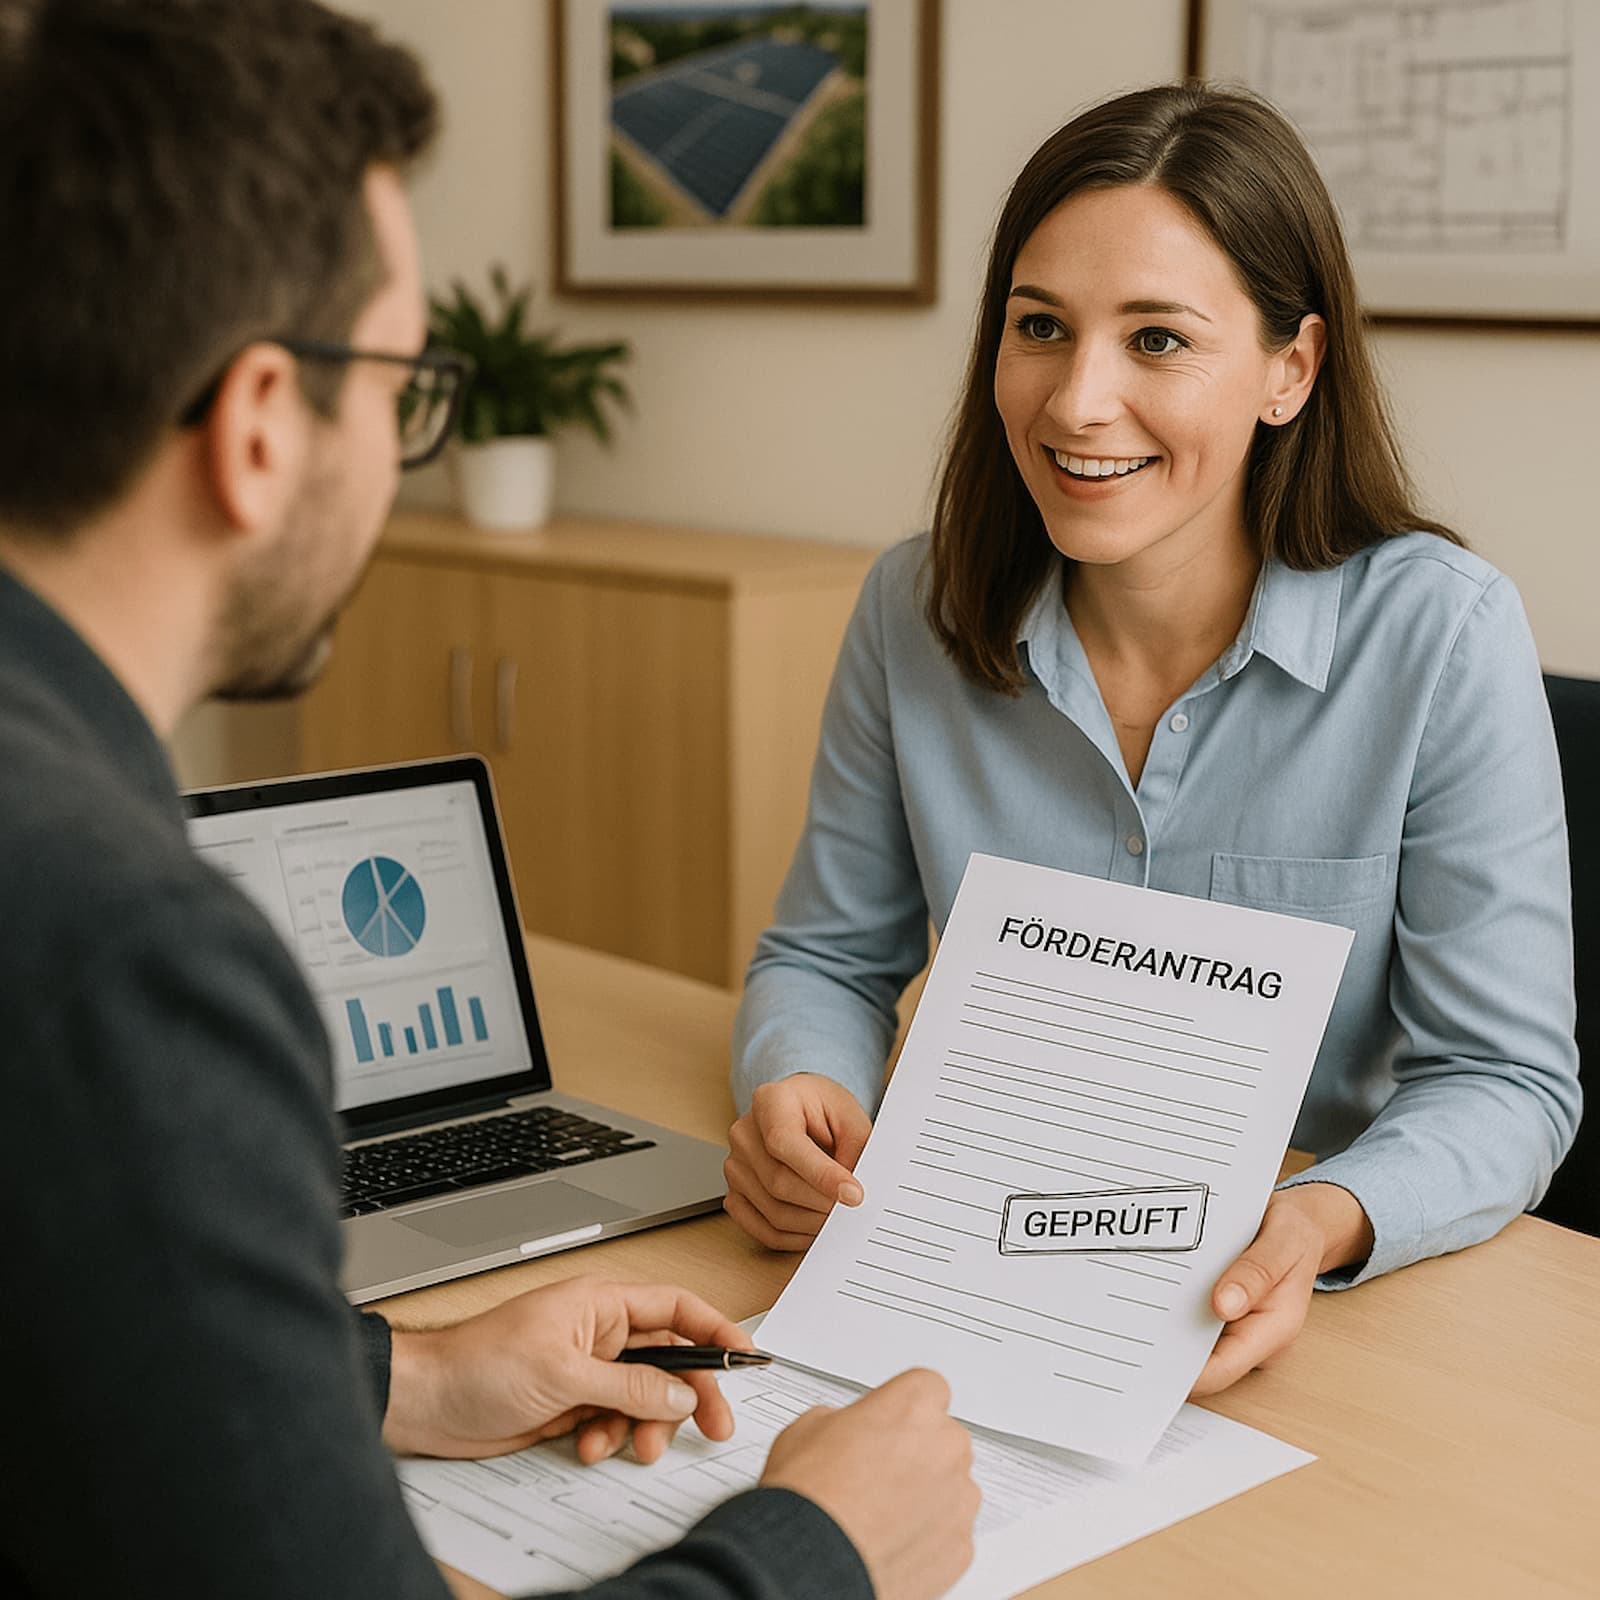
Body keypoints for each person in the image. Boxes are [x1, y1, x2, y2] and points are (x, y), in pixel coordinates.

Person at [0, 2, 979, 1597]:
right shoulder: (125, 957)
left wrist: (414, 1373)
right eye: (400, 388)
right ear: (260, 429)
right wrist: (824, 1548)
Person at [725, 82, 1580, 1395]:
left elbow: (1507, 1081)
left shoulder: (1441, 635)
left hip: (1314, 1323)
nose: (1079, 402)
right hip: (976, 1267)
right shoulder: (914, 607)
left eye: (1159, 340)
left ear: (1291, 370)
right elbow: (826, 958)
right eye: (1040, 328)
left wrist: (1321, 1221)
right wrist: (801, 1089)